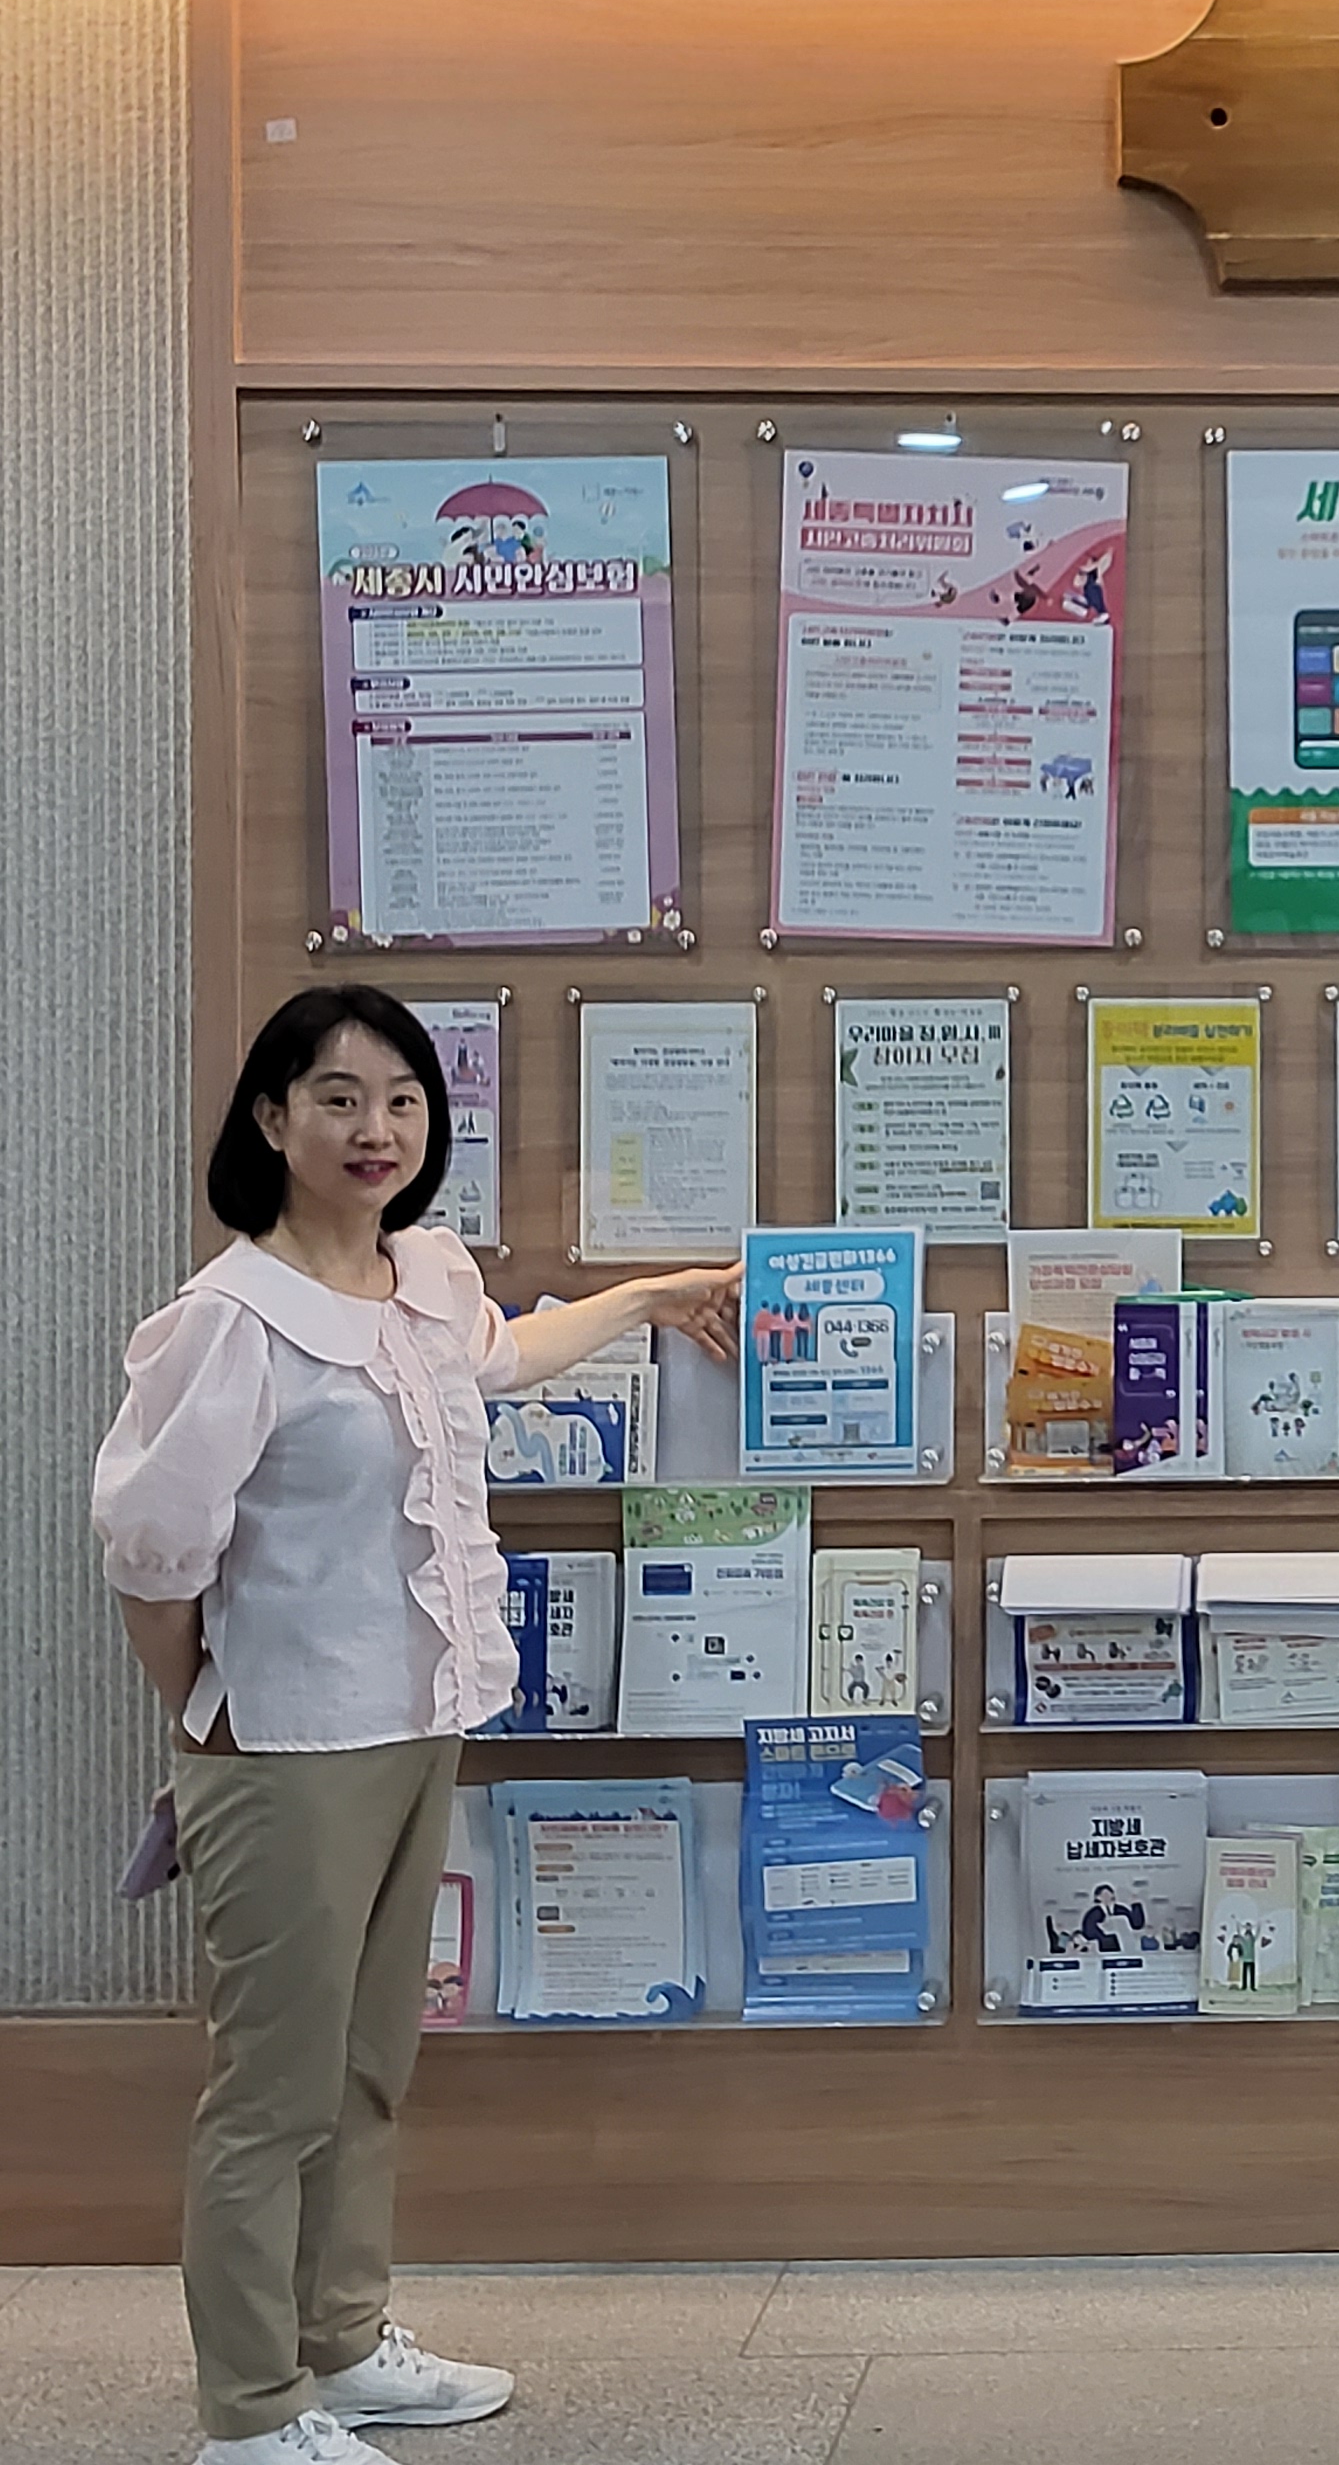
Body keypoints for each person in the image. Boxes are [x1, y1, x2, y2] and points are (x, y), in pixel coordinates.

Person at [92, 986, 739, 2465]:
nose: (374, 1127)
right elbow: (151, 1553)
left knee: (371, 2060)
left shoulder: (425, 1279)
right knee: (273, 2090)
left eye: (400, 1099)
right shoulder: (230, 1320)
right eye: (336, 1097)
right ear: (273, 1119)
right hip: (283, 1748)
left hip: (416, 1721)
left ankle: (341, 2340)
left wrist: (648, 1298)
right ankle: (250, 2411)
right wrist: (204, 1718)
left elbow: (504, 1356)